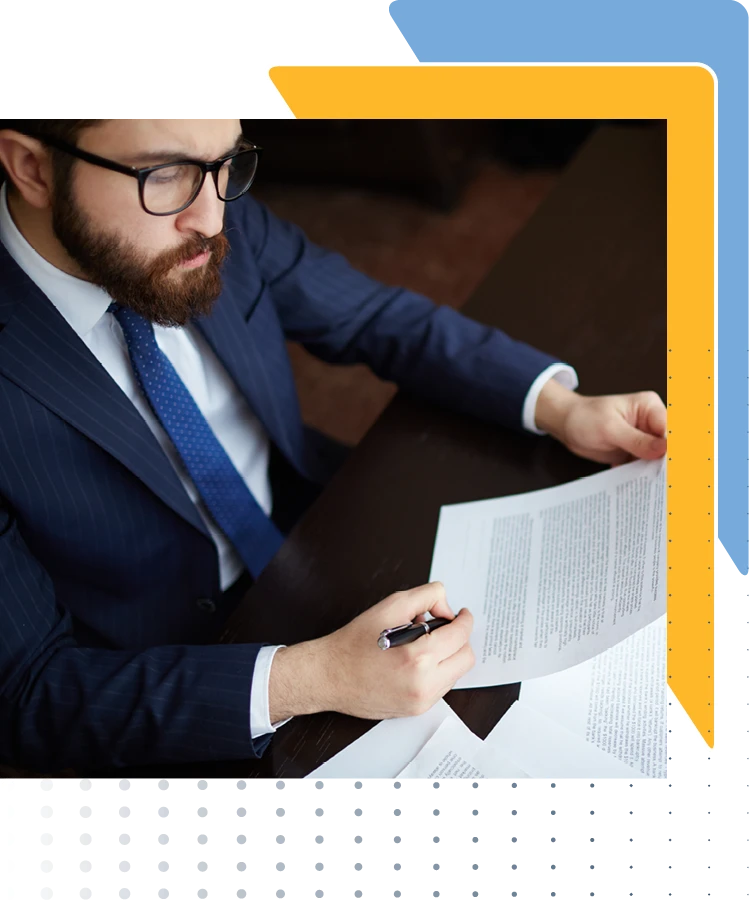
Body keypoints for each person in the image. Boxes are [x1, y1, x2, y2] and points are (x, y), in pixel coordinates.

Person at [0, 115, 667, 773]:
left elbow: (374, 316)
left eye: (226, 160)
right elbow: (29, 692)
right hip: (157, 673)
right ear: (32, 167)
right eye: (165, 174)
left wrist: (560, 406)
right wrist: (312, 678)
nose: (211, 217)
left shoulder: (208, 210)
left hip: (315, 526)